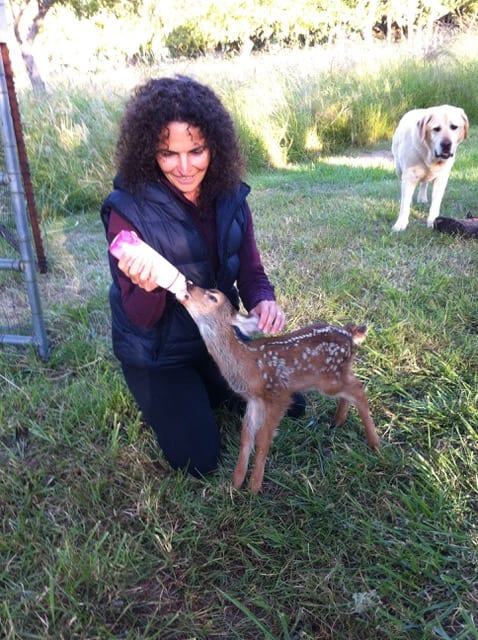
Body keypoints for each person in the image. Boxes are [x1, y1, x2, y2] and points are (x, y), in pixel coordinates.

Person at [101, 75, 305, 478]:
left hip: (219, 337)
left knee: (293, 404)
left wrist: (264, 300)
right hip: (159, 353)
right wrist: (147, 288)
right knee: (198, 459)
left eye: (196, 151)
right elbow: (140, 318)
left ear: (214, 145)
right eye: (167, 153)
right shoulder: (127, 209)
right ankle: (198, 391)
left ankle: (213, 384)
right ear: (148, 152)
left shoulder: (229, 194)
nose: (184, 167)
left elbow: (250, 270)